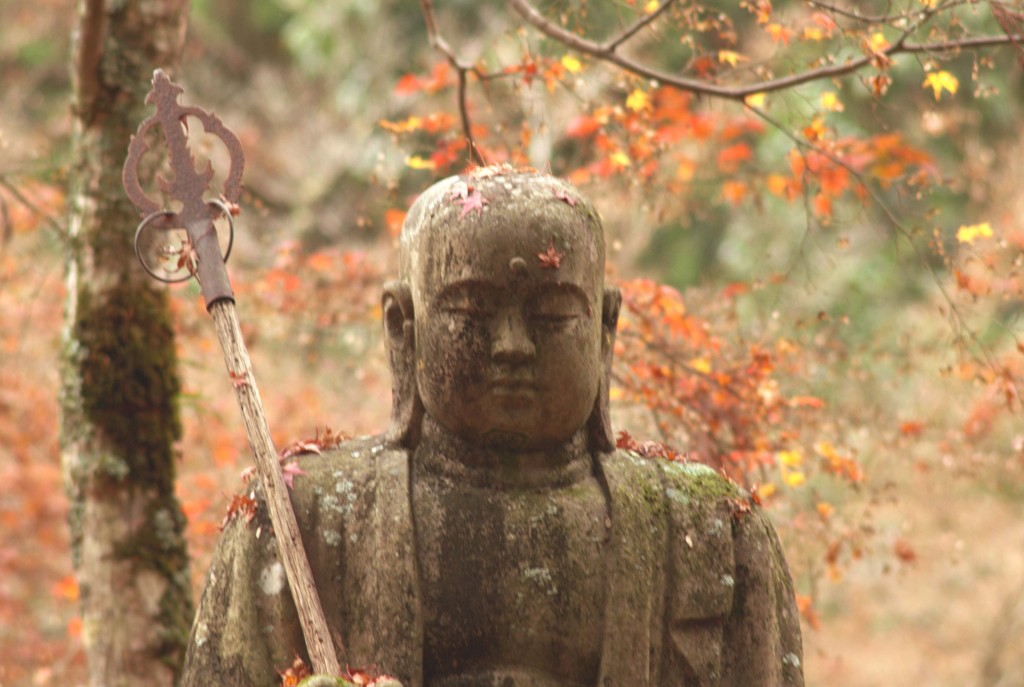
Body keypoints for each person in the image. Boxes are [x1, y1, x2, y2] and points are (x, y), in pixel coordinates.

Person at [181, 167, 804, 687]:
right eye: (471, 308)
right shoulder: (301, 523)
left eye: (553, 314)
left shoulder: (712, 534)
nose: (512, 346)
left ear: (606, 330)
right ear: (405, 327)